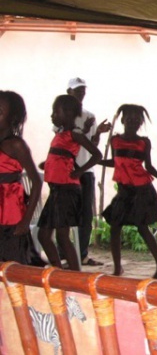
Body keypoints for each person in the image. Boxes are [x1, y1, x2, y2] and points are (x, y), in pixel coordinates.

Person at [99, 104, 157, 280]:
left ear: (141, 123)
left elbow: (149, 166)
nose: (133, 122)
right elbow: (115, 162)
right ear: (122, 120)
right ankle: (117, 268)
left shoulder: (143, 142)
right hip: (124, 190)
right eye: (129, 118)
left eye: (137, 120)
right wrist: (98, 162)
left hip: (141, 190)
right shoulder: (115, 141)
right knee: (115, 227)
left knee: (142, 227)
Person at [37, 95, 102, 271]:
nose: (52, 116)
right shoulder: (61, 134)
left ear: (68, 113)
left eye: (55, 112)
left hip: (66, 189)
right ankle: (58, 270)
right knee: (44, 235)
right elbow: (63, 155)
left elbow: (97, 155)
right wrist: (48, 163)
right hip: (56, 189)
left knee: (62, 236)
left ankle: (75, 274)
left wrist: (80, 171)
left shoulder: (75, 134)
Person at [65, 77, 111, 266]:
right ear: (69, 93)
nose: (81, 94)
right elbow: (67, 140)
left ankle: (82, 254)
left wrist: (98, 132)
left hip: (86, 170)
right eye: (77, 91)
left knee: (85, 215)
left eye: (83, 91)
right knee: (67, 214)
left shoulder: (89, 115)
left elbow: (92, 146)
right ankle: (66, 254)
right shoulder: (63, 114)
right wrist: (84, 131)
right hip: (67, 171)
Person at [0, 91, 42, 264]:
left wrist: (26, 221)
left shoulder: (16, 145)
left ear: (13, 117)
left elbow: (37, 182)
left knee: (14, 267)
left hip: (11, 218)